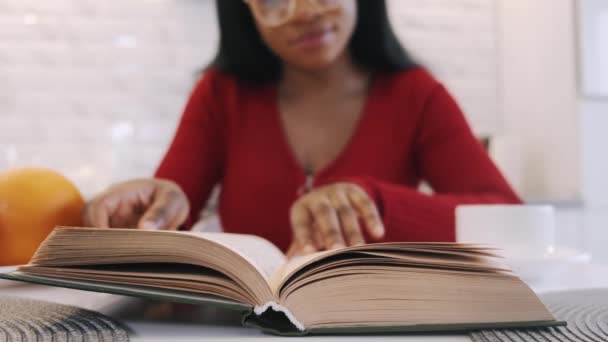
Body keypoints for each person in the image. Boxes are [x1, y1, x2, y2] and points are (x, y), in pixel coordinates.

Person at [83, 0, 521, 257]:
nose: (307, 12)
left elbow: (509, 218)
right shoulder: (221, 95)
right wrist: (141, 208)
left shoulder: (416, 95)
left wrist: (376, 204)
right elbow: (163, 226)